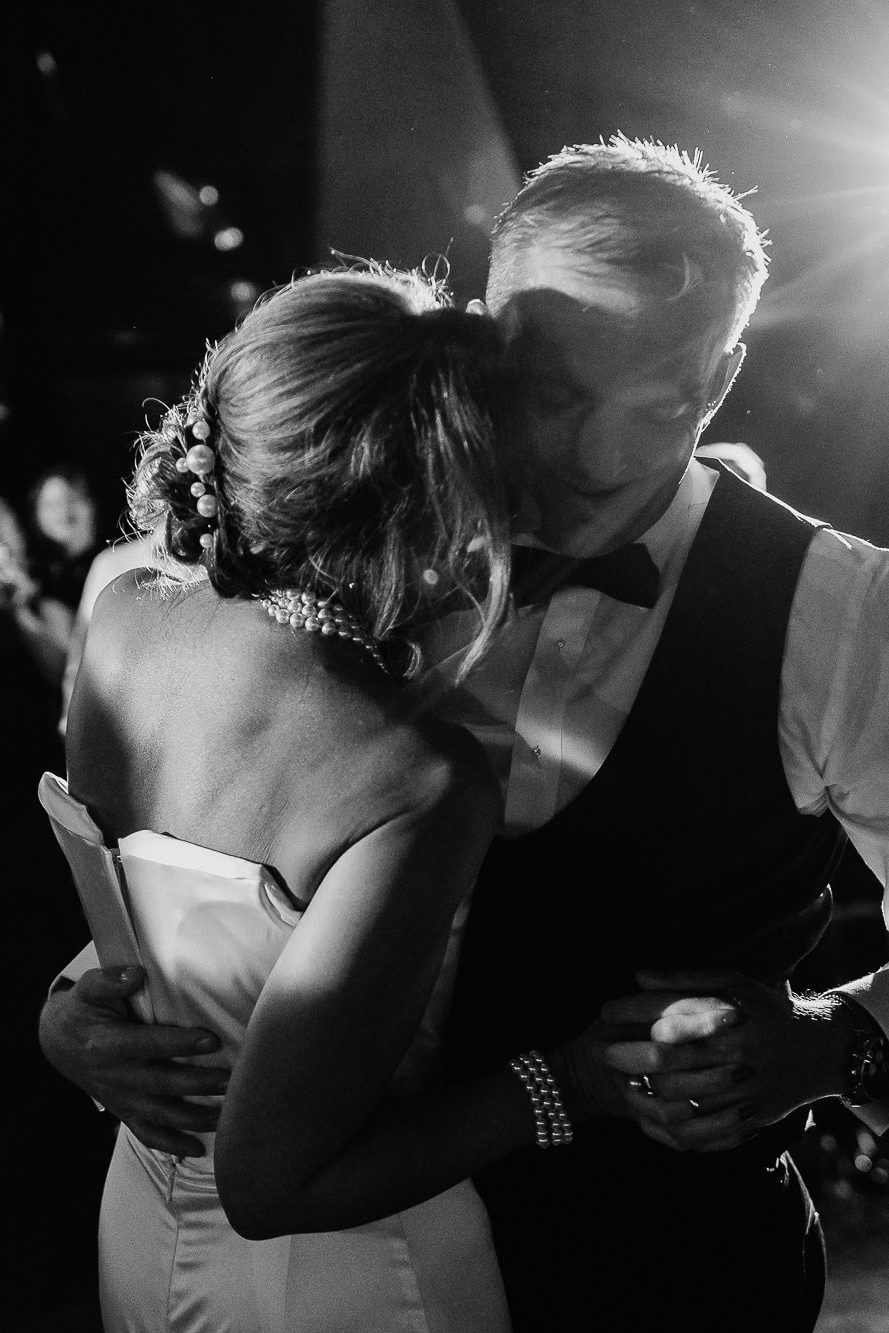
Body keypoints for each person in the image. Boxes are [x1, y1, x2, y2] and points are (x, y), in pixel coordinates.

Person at [39, 139, 889, 1331]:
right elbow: (221, 841)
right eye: (554, 395)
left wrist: (832, 1041)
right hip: (356, 1265)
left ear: (724, 373)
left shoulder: (841, 612)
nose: (594, 460)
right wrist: (80, 1004)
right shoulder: (338, 535)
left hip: (669, 1273)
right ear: (482, 343)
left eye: (659, 404)